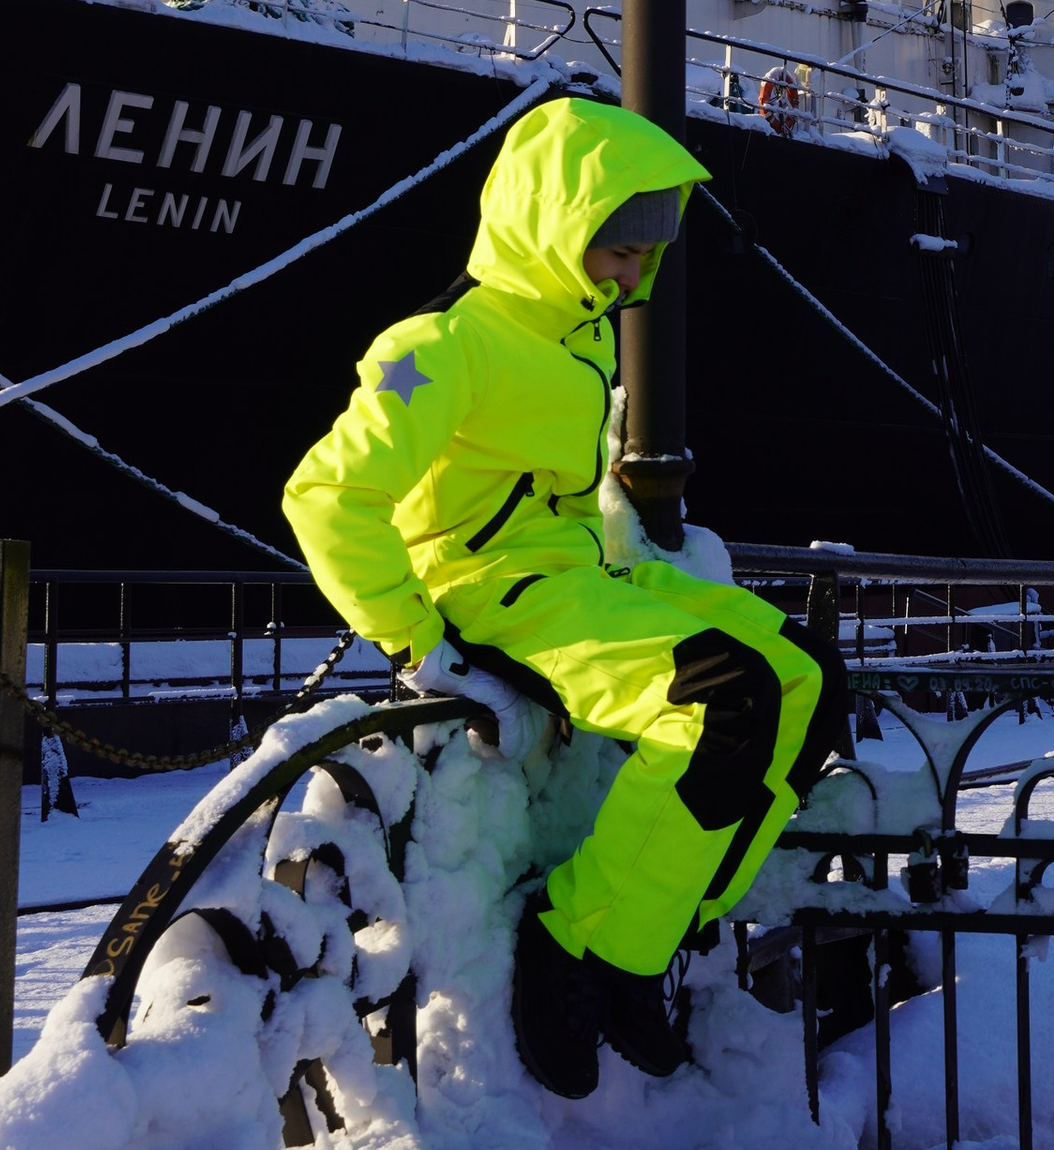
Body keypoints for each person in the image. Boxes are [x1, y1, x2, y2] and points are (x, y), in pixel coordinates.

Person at [282, 93, 846, 1097]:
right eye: (616, 247)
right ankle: (581, 948)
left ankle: (662, 924)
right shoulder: (445, 344)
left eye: (646, 250)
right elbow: (326, 497)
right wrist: (419, 644)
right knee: (724, 702)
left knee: (805, 679)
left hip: (574, 582)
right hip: (497, 597)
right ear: (552, 222)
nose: (634, 274)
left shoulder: (575, 331)